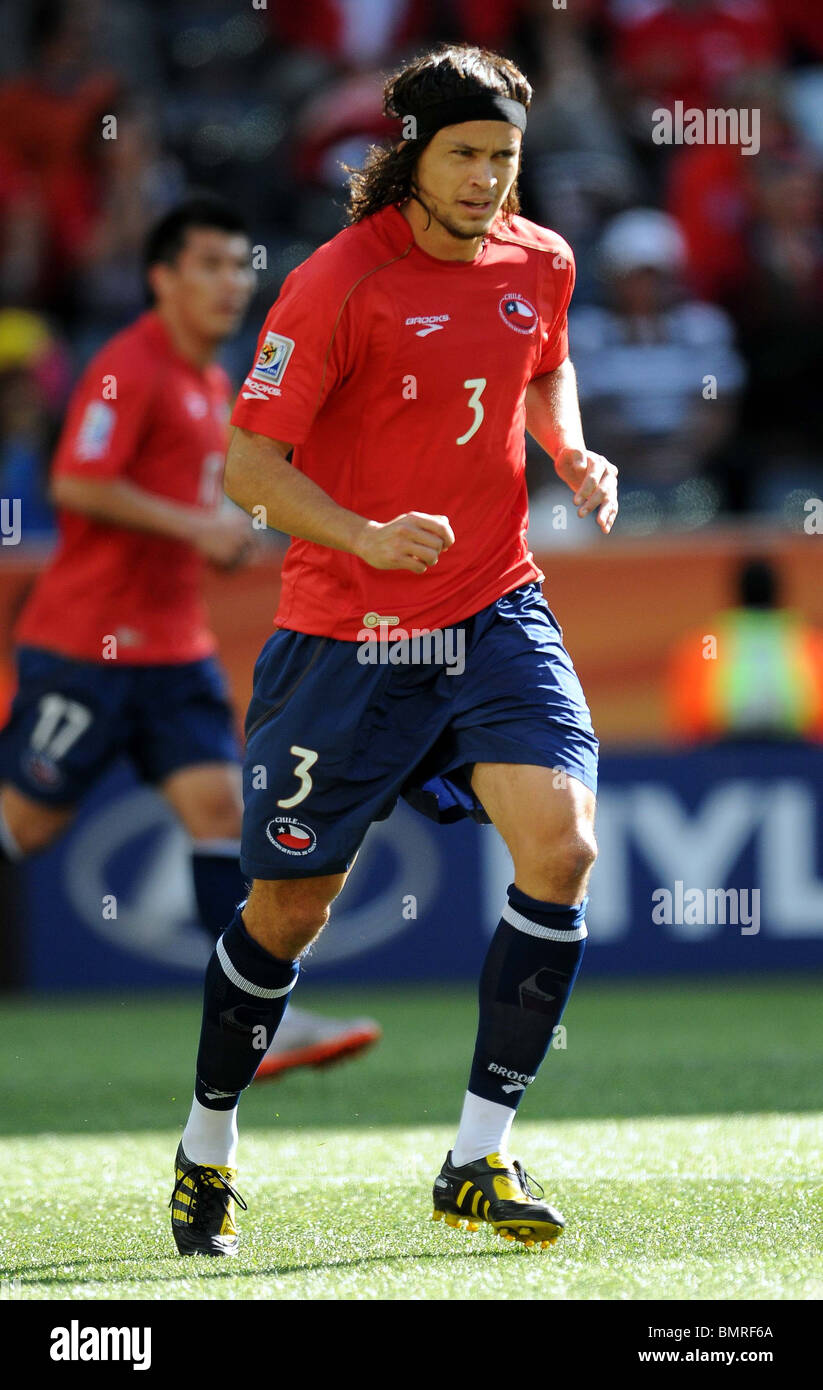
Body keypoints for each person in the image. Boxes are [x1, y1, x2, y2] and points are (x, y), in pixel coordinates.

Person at [169, 44, 618, 1258]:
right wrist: (366, 533)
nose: (486, 181)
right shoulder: (333, 284)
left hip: (493, 607)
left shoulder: (543, 259)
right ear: (411, 155)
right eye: (465, 155)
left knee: (564, 848)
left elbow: (546, 361)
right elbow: (248, 470)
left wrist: (567, 448)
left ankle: (478, 1154)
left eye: (505, 159)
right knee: (287, 914)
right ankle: (207, 1144)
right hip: (347, 634)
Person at [0, 194, 380, 1077]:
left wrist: (225, 531)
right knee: (25, 824)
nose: (227, 283)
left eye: (237, 266)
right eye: (206, 264)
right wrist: (200, 526)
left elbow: (183, 504)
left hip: (173, 654)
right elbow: (78, 483)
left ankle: (259, 1020)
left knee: (222, 814)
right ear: (161, 278)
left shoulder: (214, 384)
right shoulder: (125, 367)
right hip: (85, 647)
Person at [665, 557, 823, 743]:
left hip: (722, 756)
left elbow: (690, 719)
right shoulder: (810, 642)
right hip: (801, 756)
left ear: (736, 593)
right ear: (780, 592)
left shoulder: (706, 643)